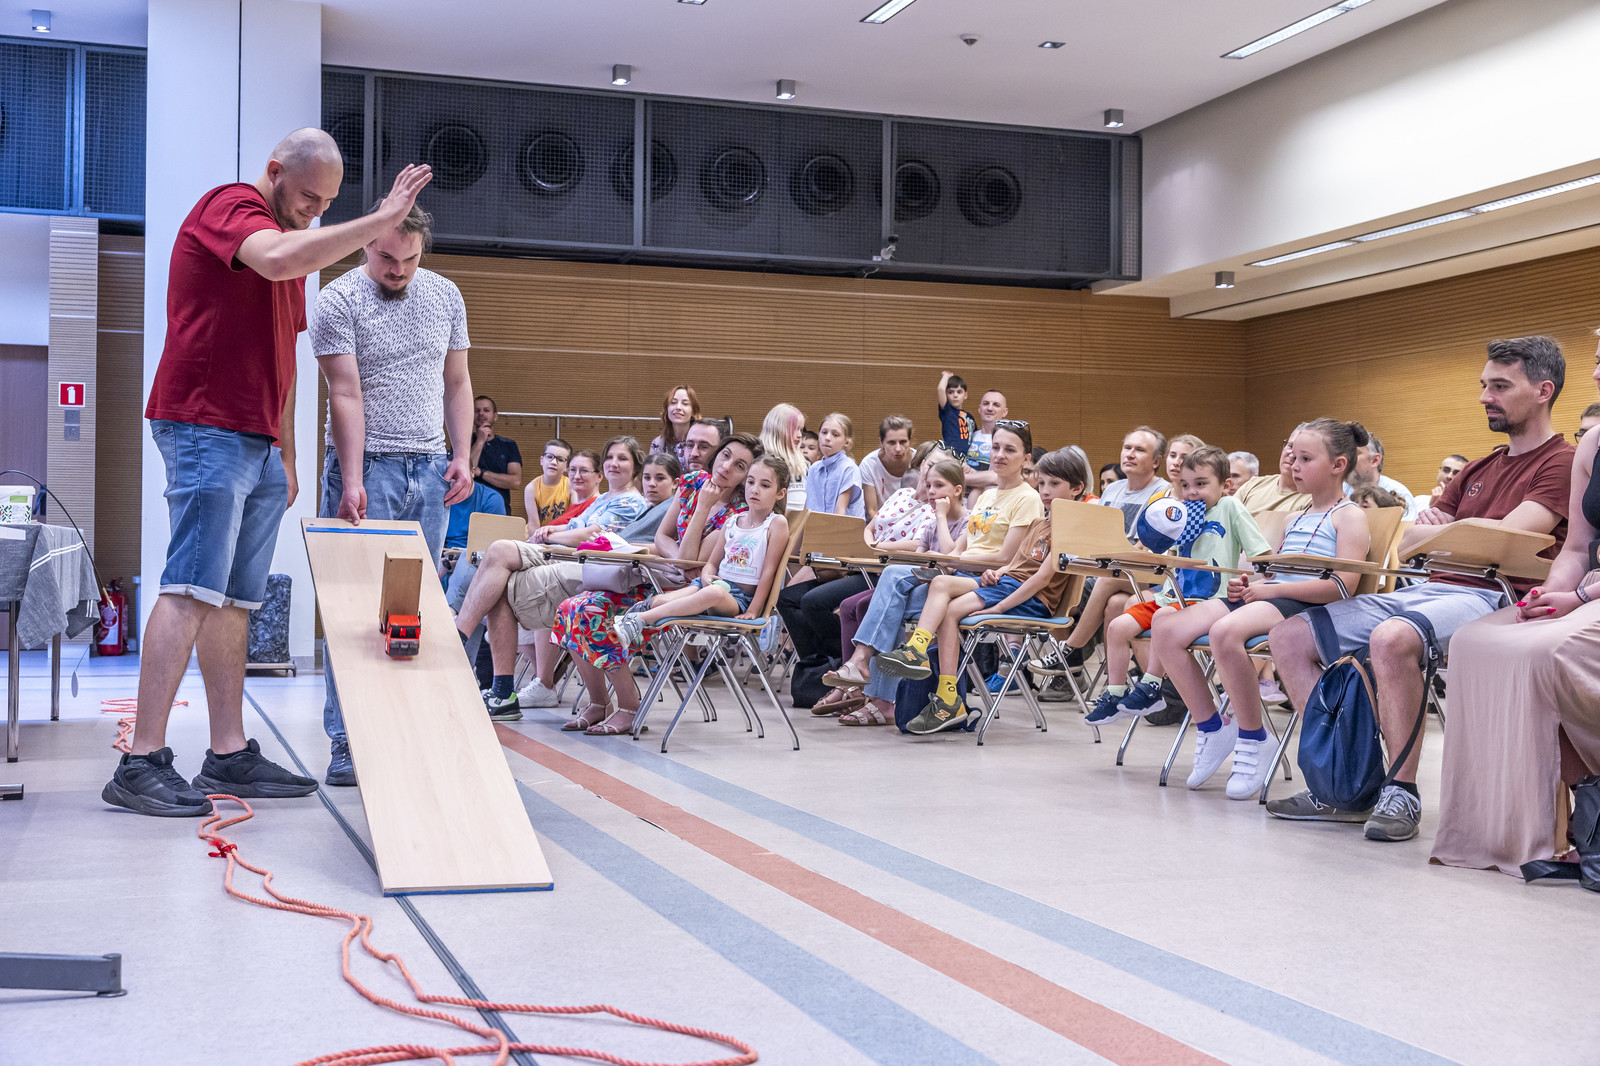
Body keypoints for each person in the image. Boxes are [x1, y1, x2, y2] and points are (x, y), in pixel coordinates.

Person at [104, 129, 432, 817]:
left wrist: (285, 450)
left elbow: (282, 355)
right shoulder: (230, 207)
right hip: (205, 423)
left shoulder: (295, 245)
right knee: (191, 586)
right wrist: (379, 219)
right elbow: (278, 260)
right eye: (309, 196)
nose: (316, 211)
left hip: (257, 439)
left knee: (236, 599)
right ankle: (141, 760)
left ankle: (228, 752)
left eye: (329, 202)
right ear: (275, 171)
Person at [1268, 336, 1575, 842]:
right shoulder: (1478, 468)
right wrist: (1453, 534)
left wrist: (1450, 530)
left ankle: (1401, 790)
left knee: (1392, 638)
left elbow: (1508, 541)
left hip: (1496, 595)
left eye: (1500, 386)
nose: (1485, 396)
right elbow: (1409, 540)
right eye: (1484, 385)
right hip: (1431, 588)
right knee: (1288, 637)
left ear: (1543, 391)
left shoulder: (1561, 462)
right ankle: (1344, 785)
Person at [311, 202, 475, 786]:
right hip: (367, 469)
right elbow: (345, 393)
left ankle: (405, 733)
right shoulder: (337, 300)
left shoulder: (446, 295)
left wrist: (462, 455)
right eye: (385, 257)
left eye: (409, 258)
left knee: (412, 611)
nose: (397, 269)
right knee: (352, 610)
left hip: (430, 469)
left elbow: (457, 381)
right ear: (364, 246)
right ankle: (346, 743)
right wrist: (352, 477)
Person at [1432, 339, 1600, 876]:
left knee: (1546, 653)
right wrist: (1551, 593)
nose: (1596, 375)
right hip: (1586, 588)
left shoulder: (1565, 454)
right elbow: (1576, 548)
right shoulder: (1593, 447)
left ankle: (1590, 802)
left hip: (1593, 596)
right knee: (1475, 640)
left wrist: (1577, 598)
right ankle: (1523, 829)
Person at [1152, 421, 1370, 798]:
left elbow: (1342, 586)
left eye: (1305, 459)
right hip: (1270, 595)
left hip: (1304, 604)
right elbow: (1272, 572)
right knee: (1166, 629)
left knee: (1225, 632)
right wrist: (1249, 584)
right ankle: (1213, 728)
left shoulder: (1349, 515)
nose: (1294, 465)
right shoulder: (1294, 517)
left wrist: (1269, 590)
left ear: (1338, 465)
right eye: (1293, 456)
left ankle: (1254, 737)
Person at [822, 422, 1041, 723]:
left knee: (889, 592)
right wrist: (941, 559)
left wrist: (952, 560)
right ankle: (876, 688)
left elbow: (1007, 557)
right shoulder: (987, 497)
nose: (999, 454)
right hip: (958, 575)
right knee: (889, 589)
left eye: (1010, 449)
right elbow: (958, 549)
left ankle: (869, 674)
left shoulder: (1027, 498)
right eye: (995, 447)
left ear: (1026, 458)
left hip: (987, 582)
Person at [550, 433, 760, 735]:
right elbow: (663, 537)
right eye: (725, 456)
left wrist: (703, 508)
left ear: (745, 477)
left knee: (593, 612)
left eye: (739, 466)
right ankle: (599, 702)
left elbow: (694, 561)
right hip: (658, 575)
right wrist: (677, 558)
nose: (726, 467)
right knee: (571, 608)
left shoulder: (737, 513)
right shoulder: (692, 482)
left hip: (684, 593)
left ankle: (629, 707)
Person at [875, 447, 1087, 734]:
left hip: (1030, 598)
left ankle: (947, 696)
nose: (1045, 490)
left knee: (950, 611)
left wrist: (999, 607)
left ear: (1076, 488)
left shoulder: (1070, 529)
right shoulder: (1041, 522)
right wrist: (997, 572)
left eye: (1055, 483)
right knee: (940, 583)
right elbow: (1016, 563)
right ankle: (917, 651)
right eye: (1042, 483)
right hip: (1008, 583)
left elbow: (1040, 579)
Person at [461, 436, 649, 720]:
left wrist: (551, 534)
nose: (613, 463)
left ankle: (462, 642)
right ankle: (500, 689)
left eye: (622, 458)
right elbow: (573, 529)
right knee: (496, 569)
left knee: (499, 562)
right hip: (562, 555)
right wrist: (552, 533)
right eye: (610, 457)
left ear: (635, 466)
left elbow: (591, 536)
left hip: (588, 566)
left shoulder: (631, 501)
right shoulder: (603, 500)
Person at [1085, 446, 1271, 724]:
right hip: (1172, 596)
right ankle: (1114, 694)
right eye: (1185, 485)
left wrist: (1258, 581)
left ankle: (1152, 685)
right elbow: (1166, 556)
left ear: (1225, 485)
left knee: (1163, 617)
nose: (1191, 492)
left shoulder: (1230, 507)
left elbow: (1262, 555)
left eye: (1201, 484)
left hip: (1210, 601)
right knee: (1117, 627)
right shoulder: (1181, 512)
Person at [615, 455, 791, 650]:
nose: (755, 489)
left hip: (738, 599)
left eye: (765, 485)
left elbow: (769, 572)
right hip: (710, 586)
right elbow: (712, 564)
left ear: (780, 493)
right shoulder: (732, 521)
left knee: (713, 593)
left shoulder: (776, 524)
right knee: (661, 601)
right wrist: (706, 576)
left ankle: (639, 620)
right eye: (750, 482)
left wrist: (753, 610)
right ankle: (633, 617)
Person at [1042, 427, 1171, 672]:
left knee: (1099, 582)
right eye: (1127, 448)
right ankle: (1110, 683)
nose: (1130, 454)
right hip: (1107, 569)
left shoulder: (1163, 492)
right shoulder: (1113, 489)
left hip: (1145, 571)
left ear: (1156, 461)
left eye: (1139, 450)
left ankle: (1071, 650)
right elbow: (1093, 534)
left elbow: (1146, 547)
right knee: (1111, 602)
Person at [1234, 432, 1314, 514]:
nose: (1291, 455)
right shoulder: (1252, 485)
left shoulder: (1313, 500)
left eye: (1303, 454)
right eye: (1290, 446)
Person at [805, 413, 864, 517]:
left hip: (842, 526)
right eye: (824, 432)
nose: (827, 438)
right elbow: (807, 508)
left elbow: (840, 512)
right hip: (817, 526)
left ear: (847, 442)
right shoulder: (813, 469)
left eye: (835, 435)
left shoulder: (849, 468)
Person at [1346, 433, 1418, 519]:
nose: (1347, 459)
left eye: (1355, 453)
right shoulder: (1341, 490)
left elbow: (1404, 528)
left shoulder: (1400, 493)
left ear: (1375, 460)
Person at [860, 416, 919, 519]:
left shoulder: (919, 460)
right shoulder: (869, 465)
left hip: (913, 520)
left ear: (910, 441)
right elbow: (871, 511)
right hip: (880, 521)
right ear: (881, 442)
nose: (898, 448)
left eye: (903, 442)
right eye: (891, 442)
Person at [470, 395, 522, 510]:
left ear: (495, 416)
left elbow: (515, 482)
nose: (481, 414)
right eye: (477, 410)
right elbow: (467, 472)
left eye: (486, 410)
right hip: (469, 508)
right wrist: (480, 441)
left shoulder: (509, 445)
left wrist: (481, 473)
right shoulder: (462, 442)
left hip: (500, 508)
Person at [759, 403, 809, 510]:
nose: (800, 435)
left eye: (801, 430)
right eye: (795, 429)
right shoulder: (761, 461)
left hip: (802, 518)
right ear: (778, 428)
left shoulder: (805, 462)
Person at [962, 390, 1011, 497]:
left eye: (996, 405)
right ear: (979, 409)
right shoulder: (968, 436)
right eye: (986, 403)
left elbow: (996, 477)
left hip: (988, 499)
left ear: (1004, 412)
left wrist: (955, 478)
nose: (989, 408)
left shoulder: (1007, 440)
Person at [649, 385, 701, 470]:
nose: (678, 407)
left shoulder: (702, 442)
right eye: (673, 402)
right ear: (667, 409)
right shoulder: (658, 443)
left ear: (693, 410)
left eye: (685, 404)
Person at [524, 438, 573, 526]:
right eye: (550, 457)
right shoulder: (531, 488)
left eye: (560, 459)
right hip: (537, 533)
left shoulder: (572, 486)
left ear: (567, 467)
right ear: (542, 460)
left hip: (562, 533)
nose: (554, 462)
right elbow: (533, 525)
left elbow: (575, 521)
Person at [937, 371, 977, 461]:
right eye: (950, 392)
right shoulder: (947, 411)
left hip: (968, 457)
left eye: (959, 392)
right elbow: (941, 389)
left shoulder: (970, 417)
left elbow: (975, 434)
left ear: (965, 395)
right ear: (946, 395)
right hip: (951, 456)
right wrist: (946, 376)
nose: (955, 395)